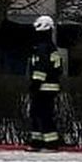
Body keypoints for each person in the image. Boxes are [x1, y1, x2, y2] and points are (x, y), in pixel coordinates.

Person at [28, 15, 63, 151]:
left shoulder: (43, 47)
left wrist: (36, 82)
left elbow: (41, 67)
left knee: (43, 114)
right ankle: (37, 141)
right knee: (38, 113)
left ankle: (50, 144)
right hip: (49, 87)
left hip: (44, 87)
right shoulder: (50, 47)